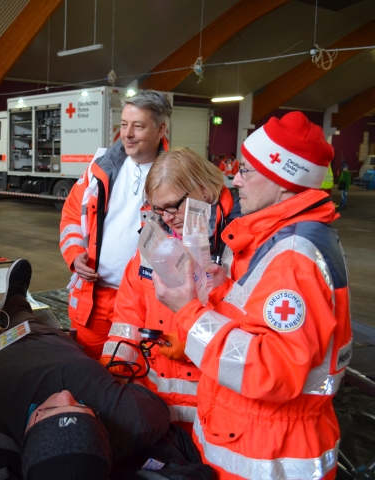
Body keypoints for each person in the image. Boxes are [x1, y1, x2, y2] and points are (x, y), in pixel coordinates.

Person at [154, 111, 352, 480]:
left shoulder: (293, 257)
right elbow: (259, 318)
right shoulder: (274, 238)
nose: (235, 180)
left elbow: (274, 370)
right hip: (250, 436)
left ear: (282, 181)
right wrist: (223, 288)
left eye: (246, 171)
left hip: (268, 455)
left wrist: (189, 312)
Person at [0, 258, 212, 480]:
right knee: (22, 313)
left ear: (26, 435)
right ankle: (16, 299)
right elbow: (153, 407)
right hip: (46, 338)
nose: (66, 394)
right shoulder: (135, 423)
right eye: (82, 408)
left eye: (47, 410)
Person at [101, 148, 239, 430]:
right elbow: (127, 320)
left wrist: (193, 341)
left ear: (203, 191)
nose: (166, 217)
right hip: (156, 406)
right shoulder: (151, 247)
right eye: (158, 208)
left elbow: (249, 337)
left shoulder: (238, 249)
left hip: (216, 415)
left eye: (173, 206)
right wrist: (112, 367)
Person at [60, 90, 173, 358]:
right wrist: (75, 255)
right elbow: (72, 215)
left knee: (129, 372)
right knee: (88, 373)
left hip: (144, 301)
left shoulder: (176, 174)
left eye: (138, 126)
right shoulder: (101, 168)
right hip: (94, 297)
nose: (128, 134)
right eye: (124, 125)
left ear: (161, 129)